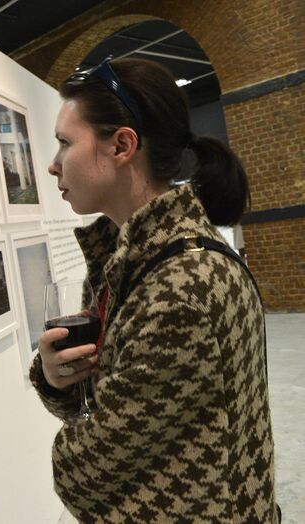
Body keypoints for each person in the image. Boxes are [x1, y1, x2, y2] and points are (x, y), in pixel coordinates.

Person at [33, 57, 278, 522]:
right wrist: (56, 376)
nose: (53, 164)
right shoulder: (132, 260)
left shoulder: (182, 288)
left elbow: (83, 473)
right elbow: (98, 398)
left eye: (66, 143)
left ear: (122, 145)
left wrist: (77, 419)